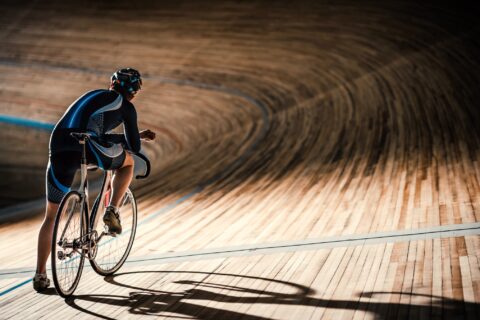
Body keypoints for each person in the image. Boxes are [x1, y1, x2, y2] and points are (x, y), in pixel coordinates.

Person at [33, 68, 156, 292]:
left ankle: (40, 274)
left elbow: (89, 128)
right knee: (128, 162)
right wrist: (135, 136)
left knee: (50, 215)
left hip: (60, 144)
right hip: (90, 145)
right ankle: (112, 210)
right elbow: (134, 147)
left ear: (112, 83)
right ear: (135, 92)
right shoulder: (126, 106)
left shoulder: (91, 94)